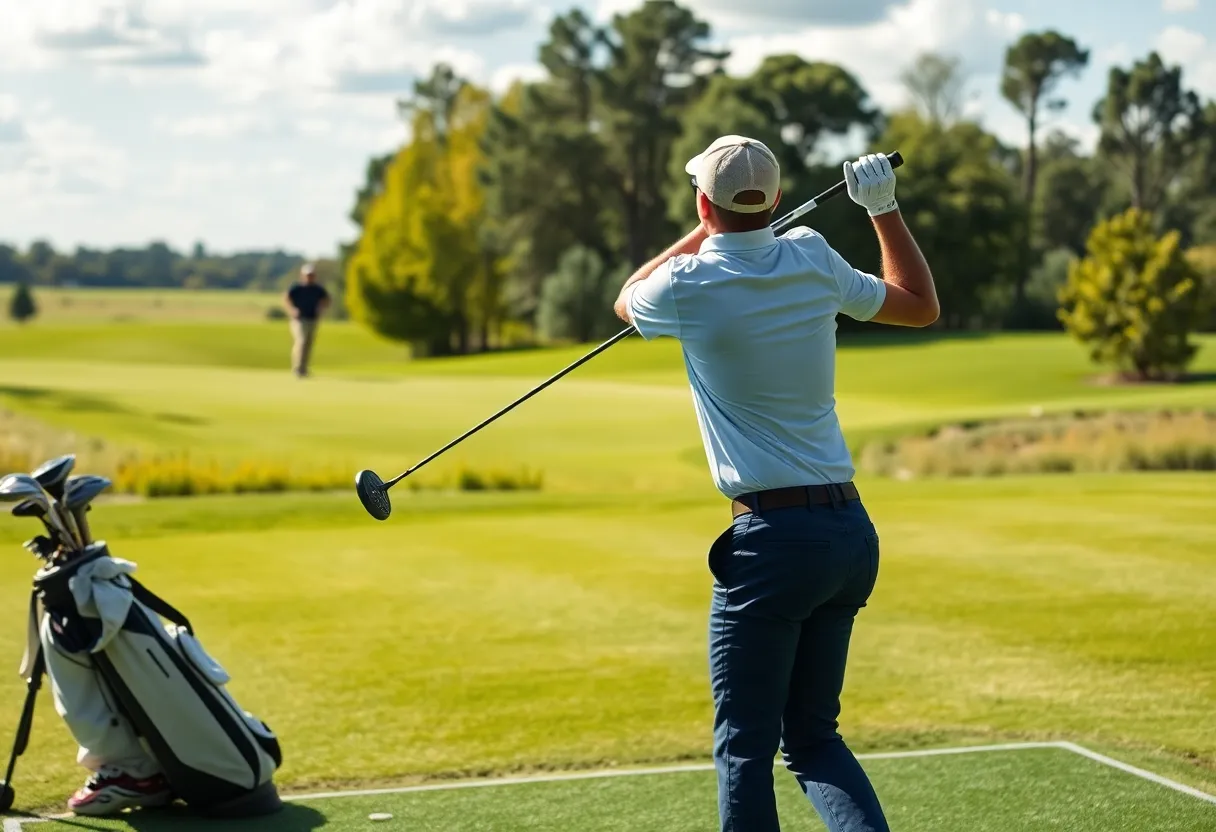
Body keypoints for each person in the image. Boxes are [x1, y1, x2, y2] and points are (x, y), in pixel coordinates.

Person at [613, 136, 938, 832]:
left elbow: (624, 301)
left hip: (770, 545)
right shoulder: (815, 257)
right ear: (779, 201)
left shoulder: (688, 284)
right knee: (815, 738)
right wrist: (883, 211)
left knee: (745, 749)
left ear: (704, 201)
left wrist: (704, 230)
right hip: (848, 534)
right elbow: (918, 305)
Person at [283, 262, 331, 377]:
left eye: (311, 275)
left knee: (308, 344)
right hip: (299, 319)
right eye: (307, 275)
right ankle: (298, 368)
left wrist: (321, 308)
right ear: (302, 275)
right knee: (301, 341)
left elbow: (326, 300)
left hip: (312, 319)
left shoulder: (318, 289)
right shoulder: (297, 288)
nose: (309, 277)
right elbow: (286, 298)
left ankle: (304, 368)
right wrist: (292, 310)